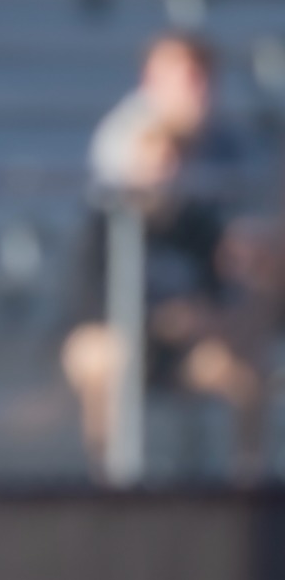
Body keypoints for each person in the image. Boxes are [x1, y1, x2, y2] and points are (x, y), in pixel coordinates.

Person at [62, 33, 266, 480]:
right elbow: (89, 307)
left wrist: (204, 319)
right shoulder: (106, 224)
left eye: (172, 160)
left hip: (180, 350)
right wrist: (158, 321)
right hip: (124, 340)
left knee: (245, 367)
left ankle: (248, 489)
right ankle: (110, 486)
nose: (162, 171)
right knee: (104, 359)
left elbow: (219, 290)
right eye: (153, 158)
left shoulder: (197, 225)